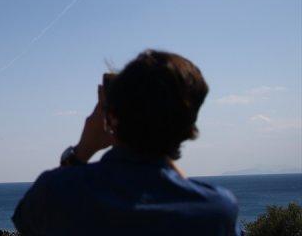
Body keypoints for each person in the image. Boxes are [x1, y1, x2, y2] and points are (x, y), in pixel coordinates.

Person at [12, 50, 242, 235]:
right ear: (189, 124)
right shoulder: (216, 210)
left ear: (111, 116)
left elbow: (25, 223)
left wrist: (82, 150)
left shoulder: (57, 190)